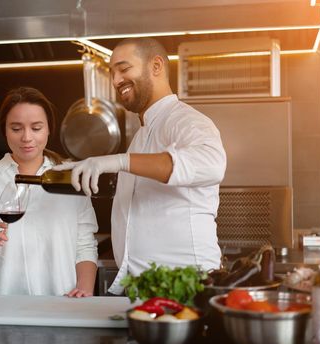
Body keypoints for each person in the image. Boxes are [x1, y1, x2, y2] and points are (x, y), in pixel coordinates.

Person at [53, 38, 227, 295]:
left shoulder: (186, 120)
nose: (115, 80)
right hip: (143, 289)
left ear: (156, 66)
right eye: (113, 73)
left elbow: (211, 165)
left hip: (187, 288)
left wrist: (118, 161)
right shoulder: (140, 136)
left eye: (124, 69)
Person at [0, 87, 98, 298]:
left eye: (36, 127)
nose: (26, 137)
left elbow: (85, 245)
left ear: (49, 129)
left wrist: (85, 290)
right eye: (16, 128)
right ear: (4, 130)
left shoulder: (71, 177)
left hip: (61, 304)